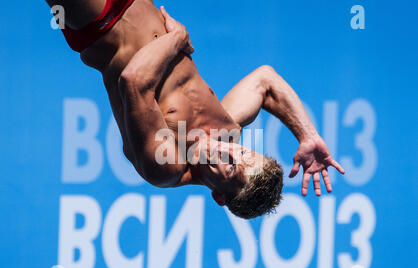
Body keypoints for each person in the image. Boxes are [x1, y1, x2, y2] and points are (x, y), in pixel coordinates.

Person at [46, 0, 345, 219]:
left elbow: (134, 81)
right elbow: (266, 82)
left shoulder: (167, 167)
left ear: (218, 195)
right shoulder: (227, 129)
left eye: (231, 167)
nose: (230, 152)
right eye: (244, 154)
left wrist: (177, 39)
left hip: (98, 18)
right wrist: (307, 135)